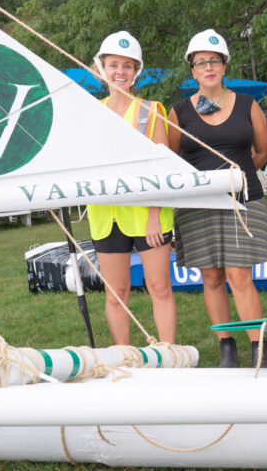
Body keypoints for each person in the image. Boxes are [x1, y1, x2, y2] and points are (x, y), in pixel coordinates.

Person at [167, 29, 267, 367]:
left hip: (243, 201)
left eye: (214, 60)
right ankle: (226, 347)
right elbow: (170, 162)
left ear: (224, 65)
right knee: (211, 277)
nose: (208, 67)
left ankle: (258, 347)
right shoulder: (179, 112)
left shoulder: (246, 104)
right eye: (201, 62)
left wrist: (237, 178)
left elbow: (265, 148)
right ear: (193, 71)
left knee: (239, 275)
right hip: (199, 205)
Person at [87, 30, 176, 346]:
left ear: (136, 71)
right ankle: (124, 358)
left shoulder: (151, 110)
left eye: (127, 66)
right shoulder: (89, 112)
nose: (119, 72)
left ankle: (169, 358)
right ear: (101, 68)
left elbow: (165, 168)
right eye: (113, 65)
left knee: (160, 287)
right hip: (105, 215)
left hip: (147, 215)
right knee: (116, 293)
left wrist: (154, 214)